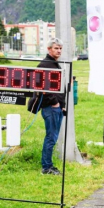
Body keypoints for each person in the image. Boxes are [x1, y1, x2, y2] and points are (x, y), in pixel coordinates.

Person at [38, 38, 66, 175]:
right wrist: (55, 102)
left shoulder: (54, 64)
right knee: (51, 137)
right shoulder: (46, 64)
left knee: (52, 137)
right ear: (49, 49)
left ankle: (48, 165)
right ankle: (46, 167)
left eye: (60, 48)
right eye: (56, 48)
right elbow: (43, 87)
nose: (59, 50)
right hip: (51, 108)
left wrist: (63, 105)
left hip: (57, 107)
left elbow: (60, 87)